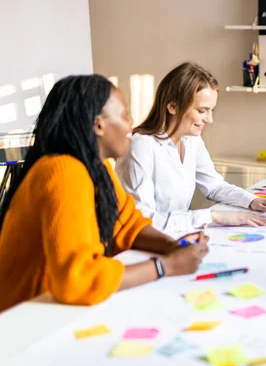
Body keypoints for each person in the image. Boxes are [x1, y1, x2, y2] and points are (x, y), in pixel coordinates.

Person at [0, 75, 209, 313]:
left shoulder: (98, 167)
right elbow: (76, 280)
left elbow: (128, 225)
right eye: (124, 114)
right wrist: (165, 266)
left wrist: (174, 247)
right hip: (23, 316)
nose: (131, 123)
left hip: (52, 308)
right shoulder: (63, 171)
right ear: (98, 124)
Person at [116, 63, 266, 235]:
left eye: (211, 110)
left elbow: (214, 186)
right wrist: (213, 216)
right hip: (141, 245)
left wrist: (253, 201)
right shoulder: (140, 146)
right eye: (202, 111)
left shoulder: (191, 140)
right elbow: (142, 220)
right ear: (172, 106)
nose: (209, 119)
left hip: (176, 236)